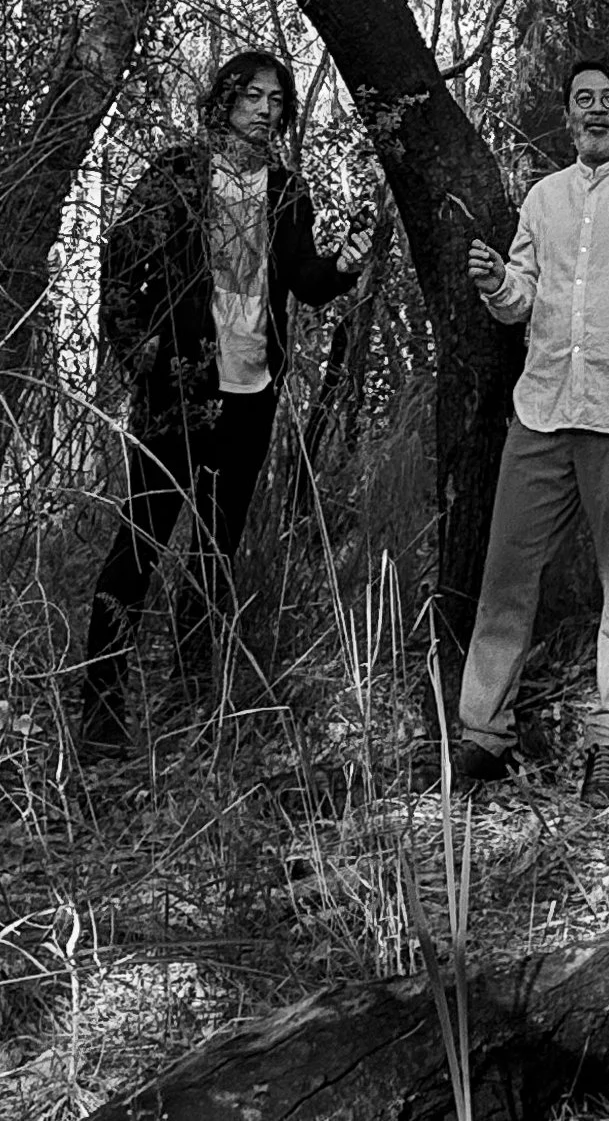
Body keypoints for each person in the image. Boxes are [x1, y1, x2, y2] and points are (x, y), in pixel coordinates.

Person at [79, 50, 365, 752]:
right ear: (225, 99)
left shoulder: (286, 190)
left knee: (214, 549)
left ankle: (190, 698)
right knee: (141, 542)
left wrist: (346, 264)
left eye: (277, 99)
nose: (265, 110)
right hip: (176, 391)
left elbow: (305, 279)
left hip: (252, 394)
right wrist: (140, 354)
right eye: (253, 95)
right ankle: (101, 708)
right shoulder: (178, 176)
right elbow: (120, 265)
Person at [456, 52, 609, 805]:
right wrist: (498, 283)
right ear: (567, 114)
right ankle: (481, 734)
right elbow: (522, 298)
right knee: (505, 574)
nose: (595, 109)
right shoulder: (544, 196)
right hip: (542, 408)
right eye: (582, 99)